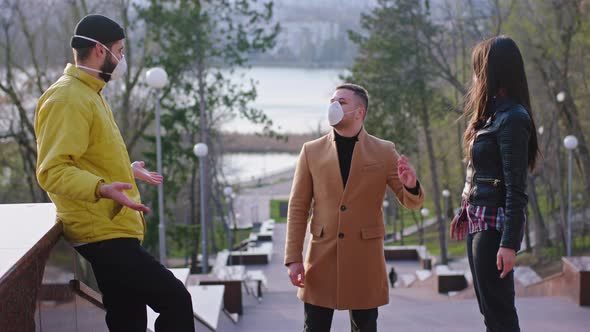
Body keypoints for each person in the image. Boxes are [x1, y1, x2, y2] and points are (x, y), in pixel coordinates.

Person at [34, 14, 195, 332]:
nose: (122, 59)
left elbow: (87, 158)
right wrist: (102, 188)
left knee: (128, 319)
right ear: (98, 50)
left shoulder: (89, 93)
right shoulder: (67, 97)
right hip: (101, 232)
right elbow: (52, 170)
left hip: (109, 229)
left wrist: (126, 170)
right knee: (176, 300)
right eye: (119, 51)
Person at [284, 83, 425, 332]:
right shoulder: (311, 151)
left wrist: (411, 185)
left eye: (342, 102)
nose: (334, 106)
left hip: (365, 260)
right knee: (314, 327)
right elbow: (297, 208)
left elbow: (411, 202)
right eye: (332, 101)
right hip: (320, 259)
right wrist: (293, 259)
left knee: (365, 328)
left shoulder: (384, 151)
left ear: (359, 112)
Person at [450, 36, 540, 332]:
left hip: (493, 228)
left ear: (494, 71)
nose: (474, 77)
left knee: (500, 314)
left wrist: (510, 243)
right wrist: (463, 209)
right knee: (490, 313)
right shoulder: (492, 117)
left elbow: (516, 188)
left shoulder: (513, 118)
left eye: (478, 69)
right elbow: (478, 174)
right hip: (478, 222)